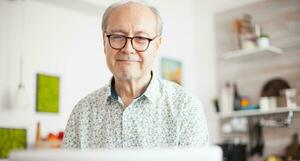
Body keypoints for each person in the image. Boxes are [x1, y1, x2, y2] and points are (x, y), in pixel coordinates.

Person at [63, 0, 209, 149]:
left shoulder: (186, 108)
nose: (128, 49)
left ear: (157, 45)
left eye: (141, 38)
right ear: (104, 41)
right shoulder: (81, 113)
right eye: (118, 36)